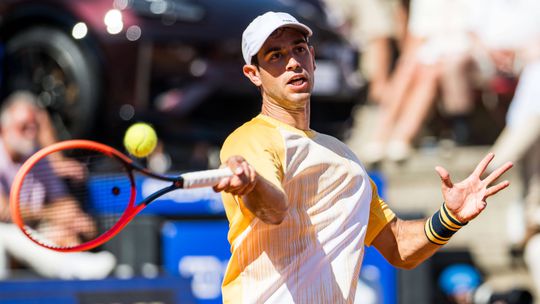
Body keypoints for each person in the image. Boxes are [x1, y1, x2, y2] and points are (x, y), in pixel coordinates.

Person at [211, 11, 513, 303]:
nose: (292, 62)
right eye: (275, 56)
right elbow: (273, 210)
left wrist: (451, 217)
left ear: (313, 59)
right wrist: (252, 185)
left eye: (299, 50)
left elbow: (399, 247)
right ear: (253, 75)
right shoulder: (250, 139)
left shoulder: (344, 157)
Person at [0, 91, 116, 279]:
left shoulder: (38, 157)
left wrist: (72, 219)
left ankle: (74, 282)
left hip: (30, 232)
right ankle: (74, 268)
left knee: (63, 234)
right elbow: (4, 212)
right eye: (23, 127)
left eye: (34, 127)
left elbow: (62, 202)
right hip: (7, 235)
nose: (31, 133)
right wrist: (51, 213)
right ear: (3, 129)